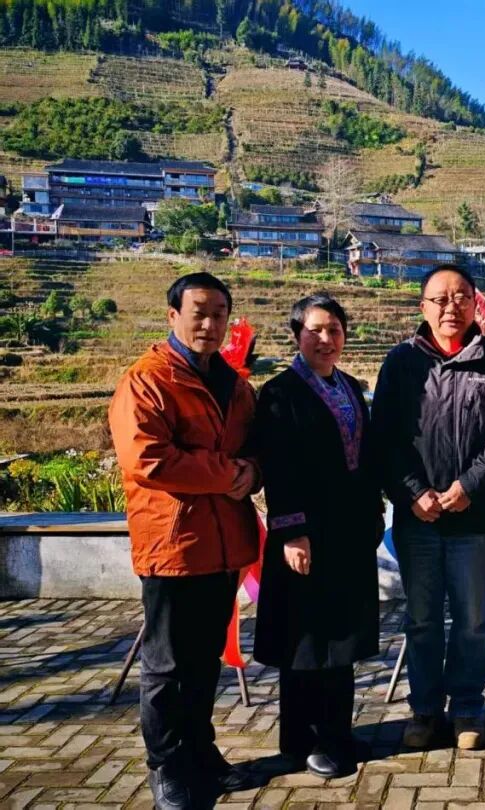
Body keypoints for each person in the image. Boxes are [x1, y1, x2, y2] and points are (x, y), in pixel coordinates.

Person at [109, 272, 260, 810]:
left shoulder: (235, 385)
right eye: (199, 312)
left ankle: (200, 751)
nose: (209, 324)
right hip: (174, 545)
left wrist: (253, 471)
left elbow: (255, 447)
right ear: (173, 316)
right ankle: (166, 766)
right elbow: (147, 459)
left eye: (219, 314)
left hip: (224, 545)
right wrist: (227, 474)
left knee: (204, 660)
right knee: (167, 665)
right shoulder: (147, 381)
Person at [372, 264, 485, 750]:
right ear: (423, 307)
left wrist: (470, 485)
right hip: (417, 517)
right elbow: (383, 437)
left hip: (474, 518)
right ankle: (424, 710)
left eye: (461, 297)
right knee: (421, 620)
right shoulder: (401, 362)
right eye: (439, 298)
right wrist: (411, 492)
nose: (450, 307)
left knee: (471, 619)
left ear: (475, 304)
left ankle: (467, 709)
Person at [252, 294, 384, 779]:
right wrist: (293, 531)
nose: (326, 339)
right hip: (305, 535)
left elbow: (364, 458)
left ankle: (337, 732)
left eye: (334, 330)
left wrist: (374, 513)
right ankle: (302, 739)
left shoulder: (349, 386)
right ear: (296, 335)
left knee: (341, 639)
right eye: (315, 330)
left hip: (348, 535)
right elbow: (279, 468)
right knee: (306, 639)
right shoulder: (279, 393)